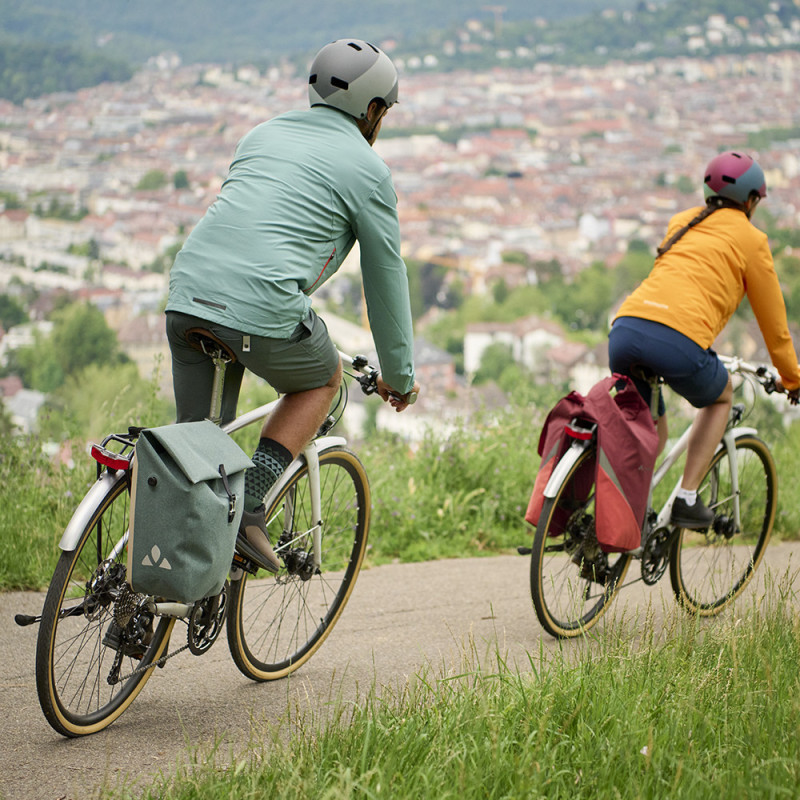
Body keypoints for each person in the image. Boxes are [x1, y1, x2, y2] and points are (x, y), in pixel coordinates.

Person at [165, 38, 420, 572]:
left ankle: (146, 592)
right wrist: (398, 374)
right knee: (325, 380)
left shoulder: (262, 134)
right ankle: (252, 501)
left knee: (195, 456)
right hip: (263, 307)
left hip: (186, 294)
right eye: (385, 111)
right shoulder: (367, 169)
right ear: (372, 109)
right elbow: (385, 278)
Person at [608, 150, 800, 529]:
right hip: (676, 341)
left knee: (652, 433)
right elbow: (775, 326)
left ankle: (620, 523)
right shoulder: (751, 240)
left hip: (626, 330)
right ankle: (686, 498)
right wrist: (792, 378)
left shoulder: (683, 221)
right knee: (721, 396)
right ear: (750, 200)